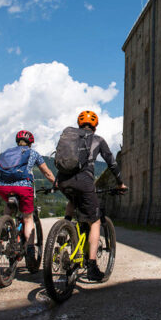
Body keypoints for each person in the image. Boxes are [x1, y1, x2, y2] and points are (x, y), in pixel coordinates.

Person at [57, 110, 127, 281]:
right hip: (84, 181)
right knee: (95, 221)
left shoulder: (70, 136)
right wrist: (120, 183)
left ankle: (65, 227)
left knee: (73, 199)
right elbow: (111, 162)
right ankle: (92, 266)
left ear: (79, 124)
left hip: (63, 180)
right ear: (95, 125)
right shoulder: (98, 140)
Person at [0, 130, 55, 267]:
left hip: (3, 187)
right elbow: (46, 172)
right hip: (23, 188)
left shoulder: (6, 152)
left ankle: (2, 233)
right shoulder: (33, 153)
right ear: (31, 142)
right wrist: (56, 184)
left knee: (8, 210)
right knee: (28, 219)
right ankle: (29, 251)